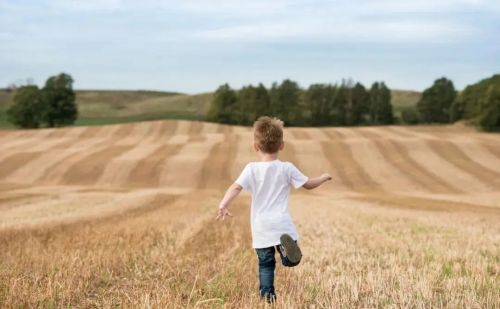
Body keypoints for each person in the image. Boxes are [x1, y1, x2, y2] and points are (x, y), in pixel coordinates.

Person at [216, 116, 332, 303]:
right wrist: (324, 177)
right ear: (282, 145)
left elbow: (236, 187)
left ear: (256, 146)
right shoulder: (286, 168)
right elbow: (309, 184)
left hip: (261, 227)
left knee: (265, 265)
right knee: (289, 257)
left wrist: (224, 204)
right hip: (281, 225)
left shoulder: (251, 169)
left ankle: (268, 297)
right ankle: (289, 257)